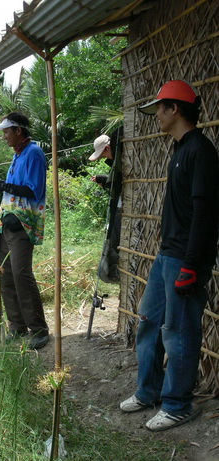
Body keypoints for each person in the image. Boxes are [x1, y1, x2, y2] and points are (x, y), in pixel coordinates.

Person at [120, 80, 218, 431]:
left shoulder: (200, 151)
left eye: (160, 108)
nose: (156, 115)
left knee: (178, 331)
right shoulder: (179, 149)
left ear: (175, 109)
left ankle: (178, 404)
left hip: (185, 260)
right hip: (167, 256)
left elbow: (206, 215)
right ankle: (149, 391)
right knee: (149, 323)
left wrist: (192, 266)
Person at [0, 111, 49, 350]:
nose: (4, 136)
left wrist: (2, 185)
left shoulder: (33, 153)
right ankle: (17, 326)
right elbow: (13, 189)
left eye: (6, 131)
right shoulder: (18, 155)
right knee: (5, 274)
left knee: (21, 275)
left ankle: (39, 329)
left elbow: (32, 190)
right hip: (7, 225)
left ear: (18, 131)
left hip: (23, 227)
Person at [89, 129, 123, 283]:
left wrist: (106, 180)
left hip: (123, 208)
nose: (104, 158)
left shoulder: (122, 158)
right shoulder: (118, 159)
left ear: (108, 148)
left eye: (103, 155)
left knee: (117, 242)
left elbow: (120, 181)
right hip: (121, 205)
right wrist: (105, 180)